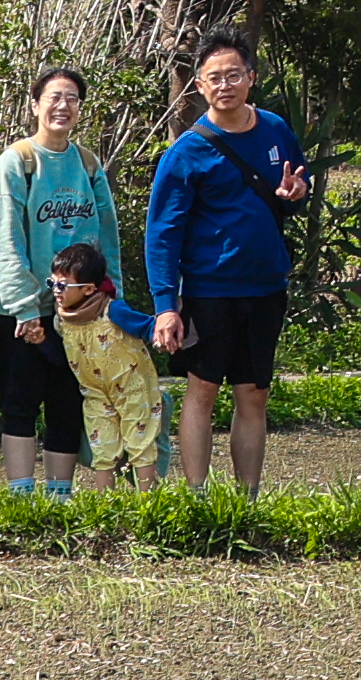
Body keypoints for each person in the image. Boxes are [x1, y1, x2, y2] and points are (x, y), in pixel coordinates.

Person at [143, 32, 313, 494]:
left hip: (265, 287)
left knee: (254, 393)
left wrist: (296, 195)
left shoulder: (276, 129)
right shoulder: (186, 152)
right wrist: (166, 305)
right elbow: (162, 233)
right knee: (202, 389)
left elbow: (296, 187)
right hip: (208, 290)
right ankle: (197, 496)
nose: (225, 85)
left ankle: (248, 497)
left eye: (233, 75)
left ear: (251, 78)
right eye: (214, 77)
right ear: (199, 86)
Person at [0, 67, 120, 498]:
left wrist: (109, 296)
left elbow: (107, 233)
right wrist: (25, 307)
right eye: (54, 97)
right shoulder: (18, 161)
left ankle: (59, 496)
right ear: (35, 105)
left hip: (80, 309)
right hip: (26, 309)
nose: (63, 106)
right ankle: (21, 496)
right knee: (21, 403)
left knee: (68, 402)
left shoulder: (87, 163)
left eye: (72, 99)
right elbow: (4, 239)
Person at [37, 244, 173, 486]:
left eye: (63, 285)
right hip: (96, 394)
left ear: (89, 289)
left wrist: (163, 338)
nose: (56, 291)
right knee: (102, 449)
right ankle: (105, 507)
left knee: (140, 444)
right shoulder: (62, 319)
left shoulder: (113, 311)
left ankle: (150, 504)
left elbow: (147, 326)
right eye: (52, 284)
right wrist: (40, 340)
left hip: (134, 388)